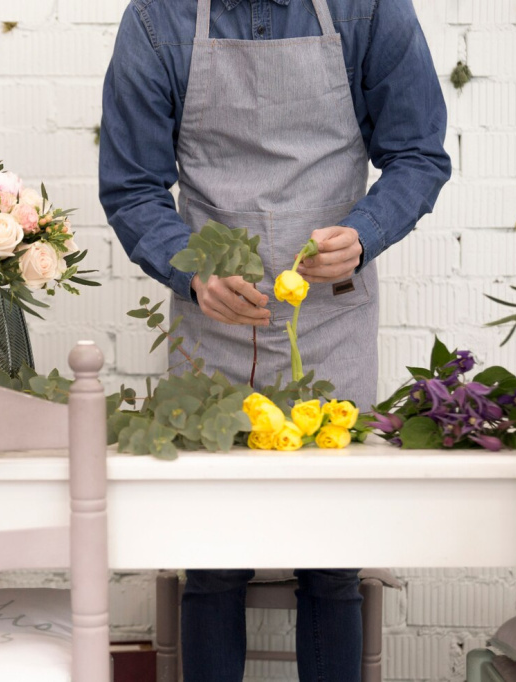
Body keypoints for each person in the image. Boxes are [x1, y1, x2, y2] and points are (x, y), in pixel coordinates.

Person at [99, 0, 451, 680]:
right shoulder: (156, 19)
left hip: (330, 322)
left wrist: (365, 233)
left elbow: (416, 155)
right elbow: (132, 186)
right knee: (213, 568)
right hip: (211, 323)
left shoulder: (368, 9)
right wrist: (191, 267)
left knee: (329, 568)